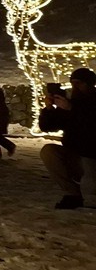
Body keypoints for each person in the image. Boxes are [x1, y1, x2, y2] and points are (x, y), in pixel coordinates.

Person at [38, 68, 96, 209]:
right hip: (75, 154)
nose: (75, 87)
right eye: (73, 83)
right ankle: (72, 194)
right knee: (49, 151)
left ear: (90, 84)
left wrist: (71, 109)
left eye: (79, 83)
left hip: (92, 155)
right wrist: (49, 109)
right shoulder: (72, 102)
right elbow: (48, 127)